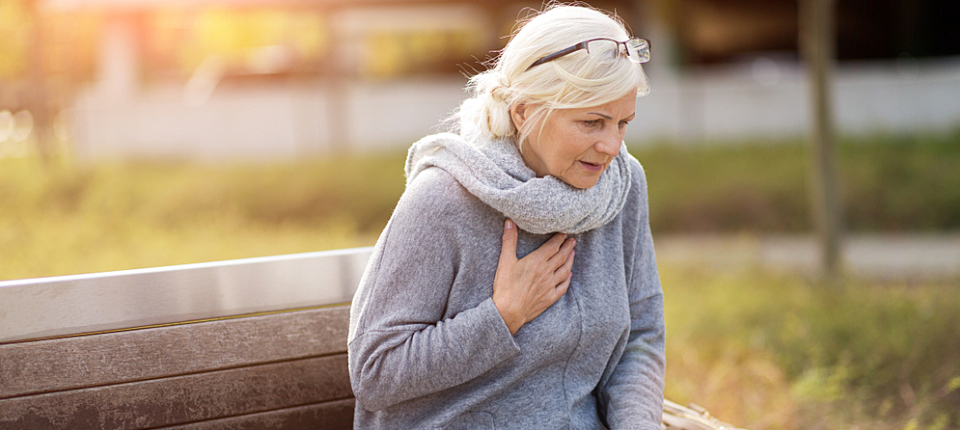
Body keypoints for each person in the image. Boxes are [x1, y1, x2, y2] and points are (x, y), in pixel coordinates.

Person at [348, 3, 664, 429]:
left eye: (622, 123)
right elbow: (375, 372)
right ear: (524, 111)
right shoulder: (443, 199)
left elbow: (640, 338)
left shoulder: (622, 186)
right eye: (592, 122)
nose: (611, 146)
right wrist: (503, 316)